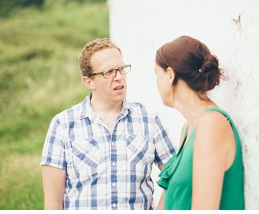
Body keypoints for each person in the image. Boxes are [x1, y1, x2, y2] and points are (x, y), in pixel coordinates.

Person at [40, 38, 176, 210]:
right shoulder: (63, 125)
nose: (119, 77)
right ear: (89, 82)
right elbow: (53, 202)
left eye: (121, 69)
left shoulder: (148, 119)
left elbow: (175, 177)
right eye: (109, 72)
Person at [154, 35, 245, 210]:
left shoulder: (211, 125)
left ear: (170, 74)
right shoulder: (188, 129)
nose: (156, 82)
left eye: (157, 73)